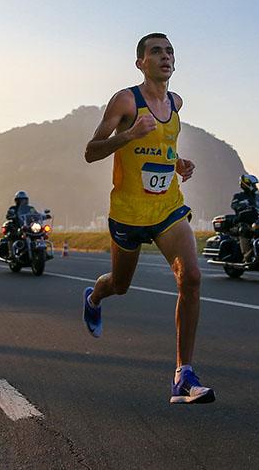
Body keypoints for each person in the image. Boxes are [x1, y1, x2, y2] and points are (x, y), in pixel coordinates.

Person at [82, 33, 213, 404]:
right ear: (140, 62)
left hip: (167, 208)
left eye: (170, 50)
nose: (165, 56)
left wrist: (177, 162)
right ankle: (94, 296)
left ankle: (182, 376)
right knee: (119, 285)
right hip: (128, 213)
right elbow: (91, 152)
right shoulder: (126, 100)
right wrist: (128, 135)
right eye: (156, 51)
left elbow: (162, 147)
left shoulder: (176, 102)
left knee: (191, 276)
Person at [230, 174, 259, 262]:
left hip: (256, 221)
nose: (255, 186)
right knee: (243, 229)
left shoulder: (258, 197)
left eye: (255, 184)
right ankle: (246, 255)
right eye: (253, 184)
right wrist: (241, 205)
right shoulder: (238, 196)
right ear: (246, 184)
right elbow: (234, 204)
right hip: (242, 221)